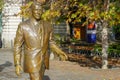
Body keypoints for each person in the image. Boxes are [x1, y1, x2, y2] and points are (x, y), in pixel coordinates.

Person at [13, 1, 68, 80]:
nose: (38, 12)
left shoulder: (48, 25)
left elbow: (51, 42)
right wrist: (17, 63)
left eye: (40, 10)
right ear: (31, 11)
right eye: (36, 10)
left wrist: (59, 52)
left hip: (44, 60)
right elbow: (17, 46)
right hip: (31, 60)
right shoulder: (23, 26)